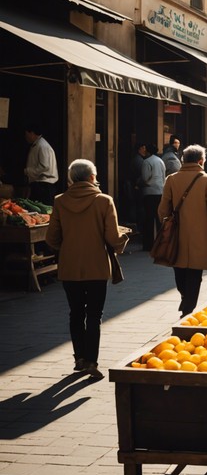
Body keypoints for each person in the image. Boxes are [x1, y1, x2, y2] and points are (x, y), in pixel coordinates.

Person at [45, 159, 130, 380]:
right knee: (94, 314)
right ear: (93, 177)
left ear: (72, 178)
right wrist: (124, 238)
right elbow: (112, 237)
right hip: (97, 266)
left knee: (76, 313)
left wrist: (68, 246)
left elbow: (52, 238)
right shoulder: (104, 201)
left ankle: (79, 358)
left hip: (70, 266)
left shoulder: (60, 201)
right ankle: (91, 361)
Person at [157, 144, 207, 316]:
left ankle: (185, 299)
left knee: (179, 269)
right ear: (201, 161)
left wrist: (167, 225)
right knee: (195, 272)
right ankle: (188, 306)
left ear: (183, 160)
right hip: (200, 235)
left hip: (177, 234)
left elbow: (162, 210)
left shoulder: (171, 179)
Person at [24, 124, 59, 205]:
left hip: (44, 186)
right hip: (39, 185)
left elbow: (44, 166)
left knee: (43, 212)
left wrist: (27, 171)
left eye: (26, 134)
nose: (26, 137)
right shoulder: (37, 145)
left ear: (32, 133)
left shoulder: (42, 146)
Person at [140, 144, 165, 251]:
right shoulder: (160, 161)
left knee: (149, 219)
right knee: (159, 219)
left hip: (150, 192)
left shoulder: (147, 162)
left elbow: (145, 178)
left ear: (148, 152)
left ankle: (149, 244)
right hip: (160, 191)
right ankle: (161, 242)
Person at [129, 141, 148, 229]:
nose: (145, 150)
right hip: (137, 186)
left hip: (136, 185)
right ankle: (139, 227)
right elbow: (142, 174)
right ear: (139, 149)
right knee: (140, 207)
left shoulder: (138, 159)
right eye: (143, 148)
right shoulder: (139, 160)